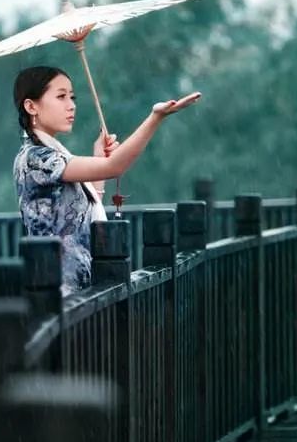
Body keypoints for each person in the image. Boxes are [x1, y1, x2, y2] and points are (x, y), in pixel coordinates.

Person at [12, 65, 201, 296]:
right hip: (58, 293)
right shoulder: (36, 158)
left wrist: (98, 158)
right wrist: (155, 117)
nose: (71, 105)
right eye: (61, 97)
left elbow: (87, 206)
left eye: (72, 97)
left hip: (79, 291)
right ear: (31, 106)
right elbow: (114, 167)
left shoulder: (55, 154)